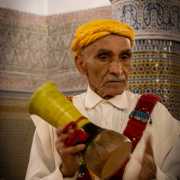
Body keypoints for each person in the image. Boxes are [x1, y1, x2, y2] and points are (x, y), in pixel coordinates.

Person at [26, 19, 180, 180]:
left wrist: (156, 177)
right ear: (81, 64)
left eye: (125, 56)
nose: (117, 70)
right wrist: (65, 172)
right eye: (104, 57)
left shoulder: (156, 113)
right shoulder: (53, 122)